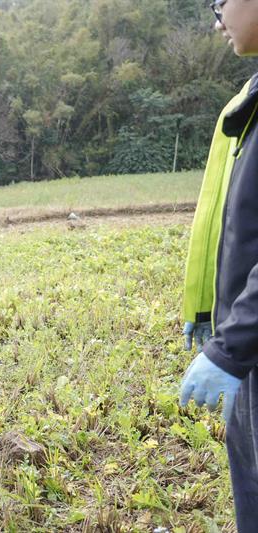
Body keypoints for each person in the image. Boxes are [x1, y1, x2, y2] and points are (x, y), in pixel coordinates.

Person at [179, 0, 258, 528]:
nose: (215, 19)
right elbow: (225, 217)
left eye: (220, 2)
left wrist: (231, 347)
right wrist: (207, 306)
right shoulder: (248, 99)